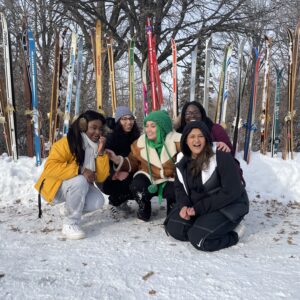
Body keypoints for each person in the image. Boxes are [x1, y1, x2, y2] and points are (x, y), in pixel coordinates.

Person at [164, 121, 249, 251]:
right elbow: (179, 188)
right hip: (201, 206)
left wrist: (198, 209)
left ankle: (234, 234)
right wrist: (184, 206)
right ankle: (205, 225)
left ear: (207, 138)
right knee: (174, 228)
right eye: (192, 136)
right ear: (185, 140)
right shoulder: (182, 161)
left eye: (200, 136)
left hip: (228, 205)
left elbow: (231, 191)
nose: (196, 140)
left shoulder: (220, 155)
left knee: (199, 239)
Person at [35, 110, 110, 240]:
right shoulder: (66, 143)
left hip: (74, 187)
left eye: (100, 129)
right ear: (82, 125)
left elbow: (101, 177)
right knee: (80, 180)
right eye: (94, 128)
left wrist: (101, 153)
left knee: (98, 201)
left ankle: (68, 208)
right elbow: (50, 168)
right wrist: (80, 170)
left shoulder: (97, 146)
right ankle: (70, 224)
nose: (98, 132)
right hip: (54, 187)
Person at [107, 110, 181, 221]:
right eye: (146, 126)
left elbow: (197, 147)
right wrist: (116, 159)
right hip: (148, 175)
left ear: (163, 126)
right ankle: (144, 207)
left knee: (175, 190)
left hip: (170, 177)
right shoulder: (140, 143)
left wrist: (216, 144)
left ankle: (173, 210)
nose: (148, 130)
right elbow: (132, 161)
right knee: (137, 185)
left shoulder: (178, 141)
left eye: (153, 126)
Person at [102, 106, 140, 214]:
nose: (128, 122)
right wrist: (115, 172)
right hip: (111, 177)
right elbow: (104, 160)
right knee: (126, 183)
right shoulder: (111, 138)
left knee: (139, 184)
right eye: (124, 119)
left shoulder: (136, 137)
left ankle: (122, 199)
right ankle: (114, 202)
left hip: (131, 171)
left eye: (131, 118)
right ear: (118, 121)